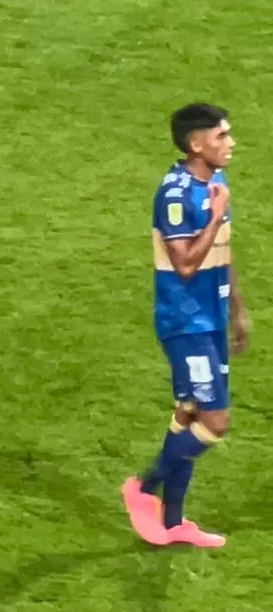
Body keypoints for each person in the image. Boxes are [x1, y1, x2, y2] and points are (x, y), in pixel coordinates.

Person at [121, 103, 250, 547]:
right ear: (196, 144)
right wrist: (215, 215)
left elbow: (221, 253)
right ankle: (142, 488)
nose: (230, 143)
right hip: (185, 322)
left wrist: (237, 310)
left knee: (190, 414)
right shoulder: (175, 195)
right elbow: (185, 266)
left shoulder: (214, 182)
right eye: (221, 137)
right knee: (214, 421)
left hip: (210, 318)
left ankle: (173, 523)